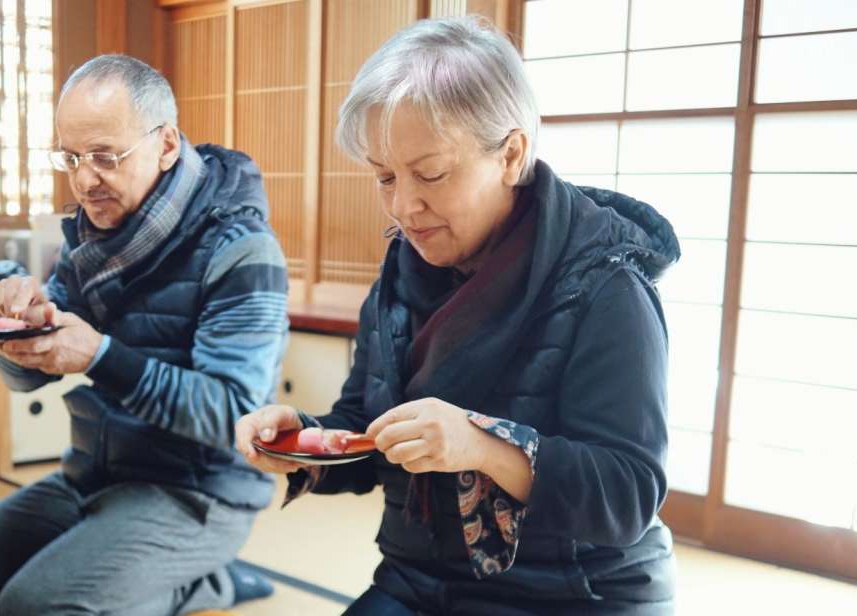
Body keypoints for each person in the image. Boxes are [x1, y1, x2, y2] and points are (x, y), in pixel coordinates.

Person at [236, 17, 680, 615]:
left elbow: (628, 496)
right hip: (421, 577)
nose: (404, 206)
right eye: (385, 177)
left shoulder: (606, 286)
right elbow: (370, 426)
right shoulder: (403, 268)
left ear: (511, 154)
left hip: (575, 593)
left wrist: (485, 446)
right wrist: (307, 441)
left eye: (431, 174)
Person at [0, 54, 288, 616]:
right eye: (71, 157)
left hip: (198, 493)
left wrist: (99, 355)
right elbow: (28, 379)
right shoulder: (90, 237)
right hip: (93, 471)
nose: (84, 179)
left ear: (166, 144)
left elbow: (232, 415)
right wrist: (21, 330)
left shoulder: (241, 248)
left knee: (33, 606)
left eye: (104, 156)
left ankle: (209, 583)